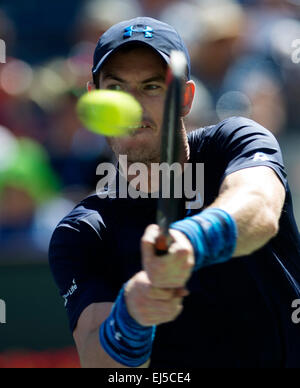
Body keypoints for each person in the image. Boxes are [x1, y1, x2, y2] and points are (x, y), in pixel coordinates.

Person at [49, 17, 300, 368]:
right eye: (117, 90)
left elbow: (259, 207)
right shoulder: (83, 232)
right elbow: (95, 357)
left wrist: (191, 241)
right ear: (96, 99)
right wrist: (131, 318)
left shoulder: (236, 141)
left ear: (184, 97)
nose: (133, 107)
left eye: (151, 87)